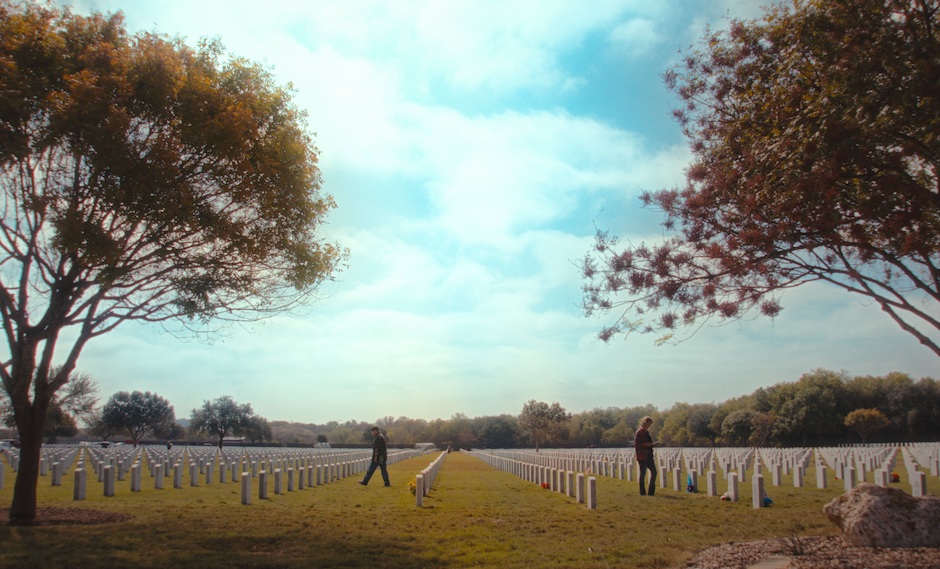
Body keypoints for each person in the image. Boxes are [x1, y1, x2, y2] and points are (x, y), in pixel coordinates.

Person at [634, 416, 660, 496]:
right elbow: (636, 444)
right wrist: (646, 444)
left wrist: (653, 444)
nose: (649, 426)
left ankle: (651, 492)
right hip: (642, 455)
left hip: (649, 455)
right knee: (643, 473)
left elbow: (650, 443)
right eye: (649, 424)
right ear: (645, 423)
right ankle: (642, 492)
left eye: (650, 424)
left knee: (654, 472)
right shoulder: (639, 432)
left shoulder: (647, 432)